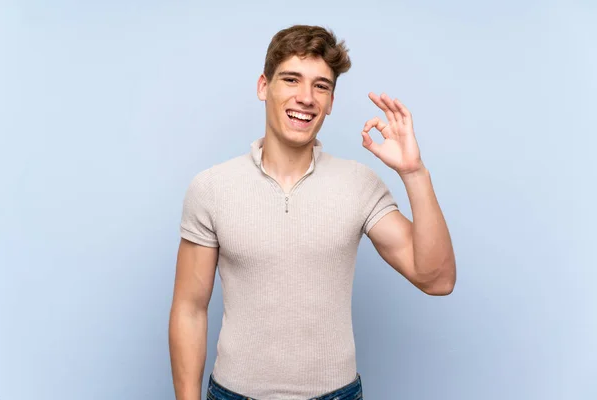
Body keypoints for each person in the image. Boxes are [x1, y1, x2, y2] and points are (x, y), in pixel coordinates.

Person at [168, 24, 456, 400]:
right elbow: (189, 310)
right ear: (263, 86)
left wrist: (413, 173)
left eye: (321, 86)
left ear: (331, 102)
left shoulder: (359, 184)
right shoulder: (211, 188)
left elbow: (437, 279)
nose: (306, 97)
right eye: (291, 79)